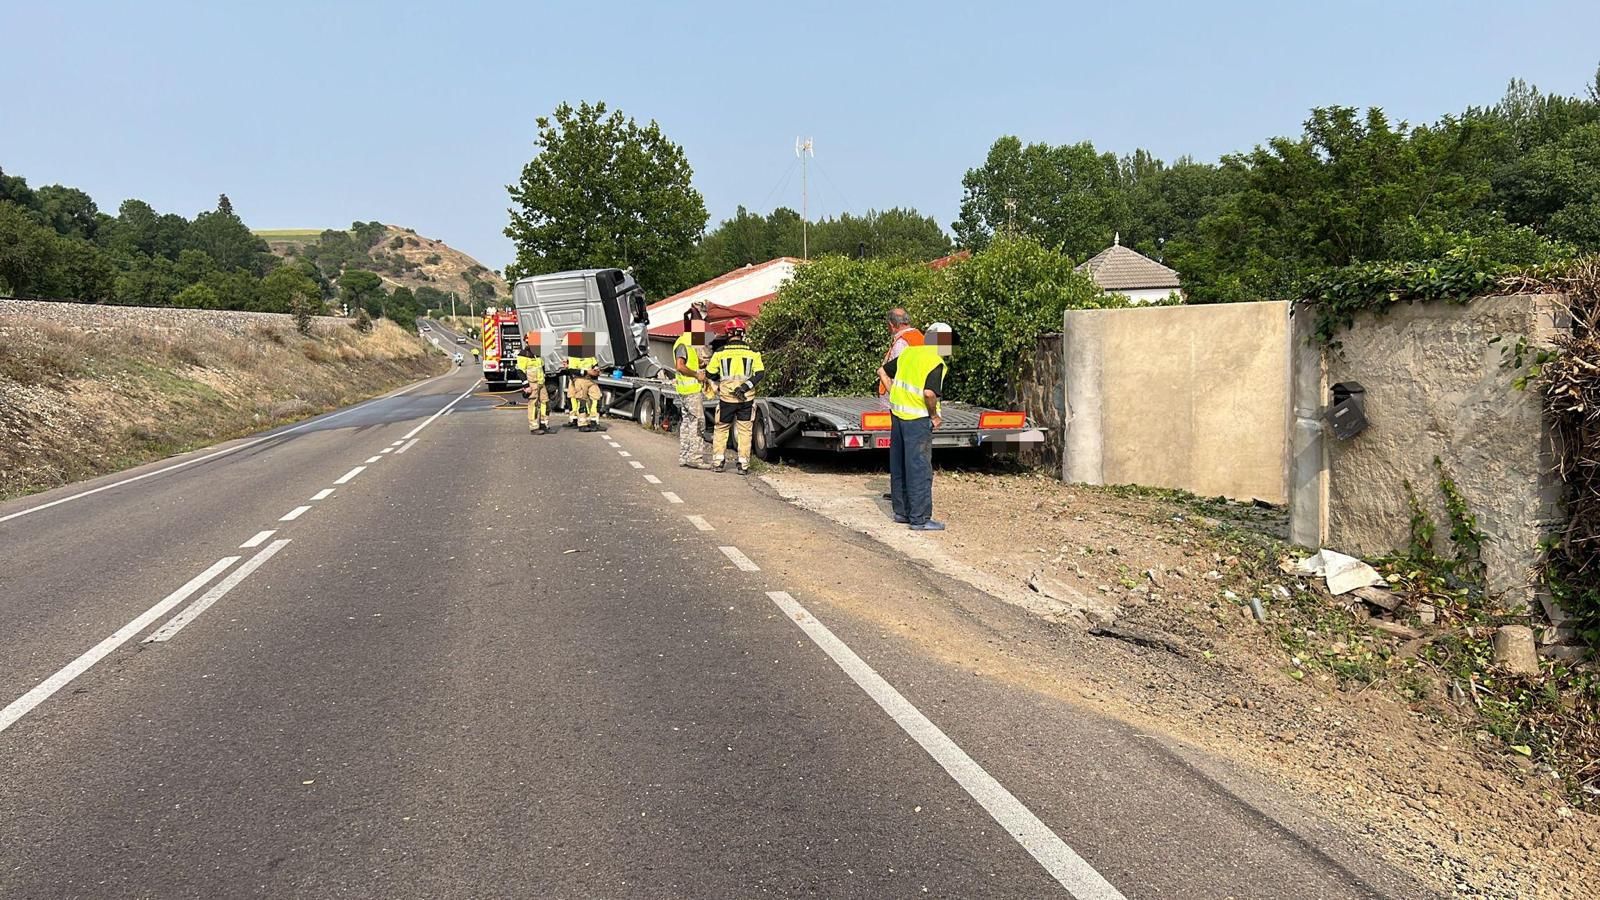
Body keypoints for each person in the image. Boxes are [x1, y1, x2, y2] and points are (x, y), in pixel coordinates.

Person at [879, 322, 954, 531]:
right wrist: (934, 415)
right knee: (919, 469)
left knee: (900, 465)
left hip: (898, 416)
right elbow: (929, 393)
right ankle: (920, 519)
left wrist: (893, 393)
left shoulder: (908, 354)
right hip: (918, 420)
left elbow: (882, 371)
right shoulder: (934, 361)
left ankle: (901, 513)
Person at [704, 318, 764, 475]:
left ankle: (718, 462)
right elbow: (759, 374)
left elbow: (710, 373)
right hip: (746, 398)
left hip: (726, 398)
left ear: (727, 333)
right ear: (743, 333)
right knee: (745, 430)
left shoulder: (720, 353)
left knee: (722, 428)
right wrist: (744, 387)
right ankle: (743, 464)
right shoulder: (753, 352)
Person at [673, 305, 711, 469]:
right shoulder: (683, 344)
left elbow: (690, 360)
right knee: (697, 424)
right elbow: (680, 366)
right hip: (690, 392)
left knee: (687, 423)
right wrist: (697, 375)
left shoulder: (687, 344)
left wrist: (701, 362)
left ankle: (685, 456)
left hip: (685, 391)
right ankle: (695, 458)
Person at [563, 331, 605, 432]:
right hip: (579, 379)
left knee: (597, 397)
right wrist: (587, 371)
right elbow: (572, 369)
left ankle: (594, 422)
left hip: (590, 379)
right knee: (580, 400)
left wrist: (596, 370)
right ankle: (581, 423)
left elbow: (595, 364)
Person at [515, 336, 550, 434]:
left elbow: (542, 367)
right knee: (533, 405)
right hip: (532, 384)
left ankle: (544, 424)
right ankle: (534, 427)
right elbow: (520, 371)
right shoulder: (523, 355)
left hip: (541, 383)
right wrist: (526, 386)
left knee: (545, 403)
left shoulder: (538, 354)